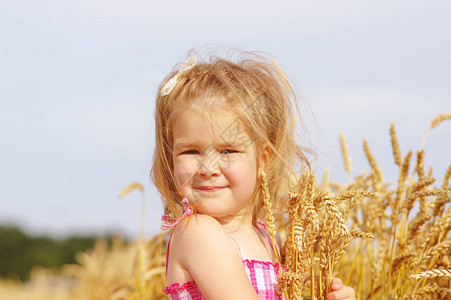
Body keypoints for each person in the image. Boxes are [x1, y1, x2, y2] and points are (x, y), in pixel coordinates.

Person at [151, 50, 356, 300]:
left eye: (228, 150)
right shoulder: (198, 233)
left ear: (263, 159)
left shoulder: (268, 236)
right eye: (191, 151)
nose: (207, 168)